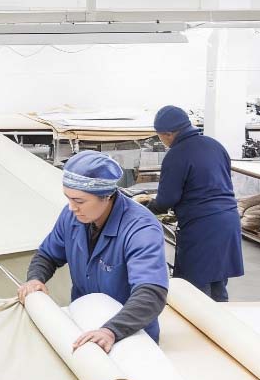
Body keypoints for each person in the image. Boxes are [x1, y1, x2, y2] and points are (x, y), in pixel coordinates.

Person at [17, 150, 169, 350]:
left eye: (79, 201)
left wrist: (111, 331)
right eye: (68, 198)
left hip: (129, 333)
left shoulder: (140, 229)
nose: (71, 207)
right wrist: (36, 278)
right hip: (84, 320)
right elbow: (47, 255)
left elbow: (151, 293)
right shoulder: (71, 216)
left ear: (106, 196)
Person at [148, 105, 244, 302]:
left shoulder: (176, 154)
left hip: (203, 227)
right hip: (229, 221)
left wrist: (146, 208)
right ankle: (221, 325)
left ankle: (204, 328)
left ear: (167, 134)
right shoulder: (214, 145)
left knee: (194, 290)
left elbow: (167, 199)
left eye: (160, 136)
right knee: (217, 283)